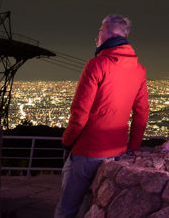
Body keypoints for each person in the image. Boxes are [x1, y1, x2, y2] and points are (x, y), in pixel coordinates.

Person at [54, 14, 149, 218]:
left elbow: (80, 113)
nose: (96, 37)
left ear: (111, 35)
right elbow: (141, 114)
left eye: (100, 32)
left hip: (87, 151)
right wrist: (132, 148)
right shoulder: (139, 70)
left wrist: (67, 142)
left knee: (67, 209)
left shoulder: (96, 65)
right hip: (117, 152)